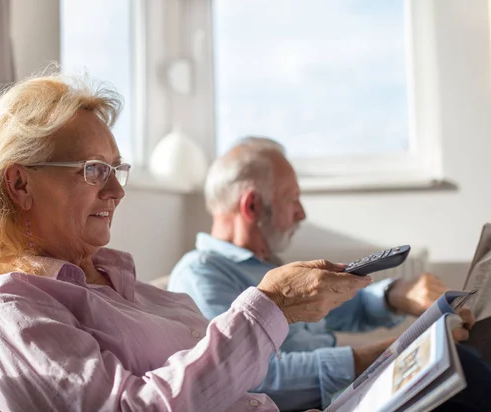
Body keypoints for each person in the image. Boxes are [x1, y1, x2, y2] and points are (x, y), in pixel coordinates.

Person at [0, 74, 372, 411]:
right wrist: (271, 304)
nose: (116, 191)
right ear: (19, 183)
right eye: (93, 170)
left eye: (116, 169)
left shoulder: (137, 292)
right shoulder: (7, 305)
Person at [168, 137, 481, 411]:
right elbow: (254, 378)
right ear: (251, 206)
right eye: (292, 198)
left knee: (466, 358)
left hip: (343, 395)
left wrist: (396, 294)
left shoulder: (266, 266)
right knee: (462, 368)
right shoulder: (201, 275)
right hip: (321, 403)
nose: (301, 213)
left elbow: (342, 305)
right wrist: (390, 353)